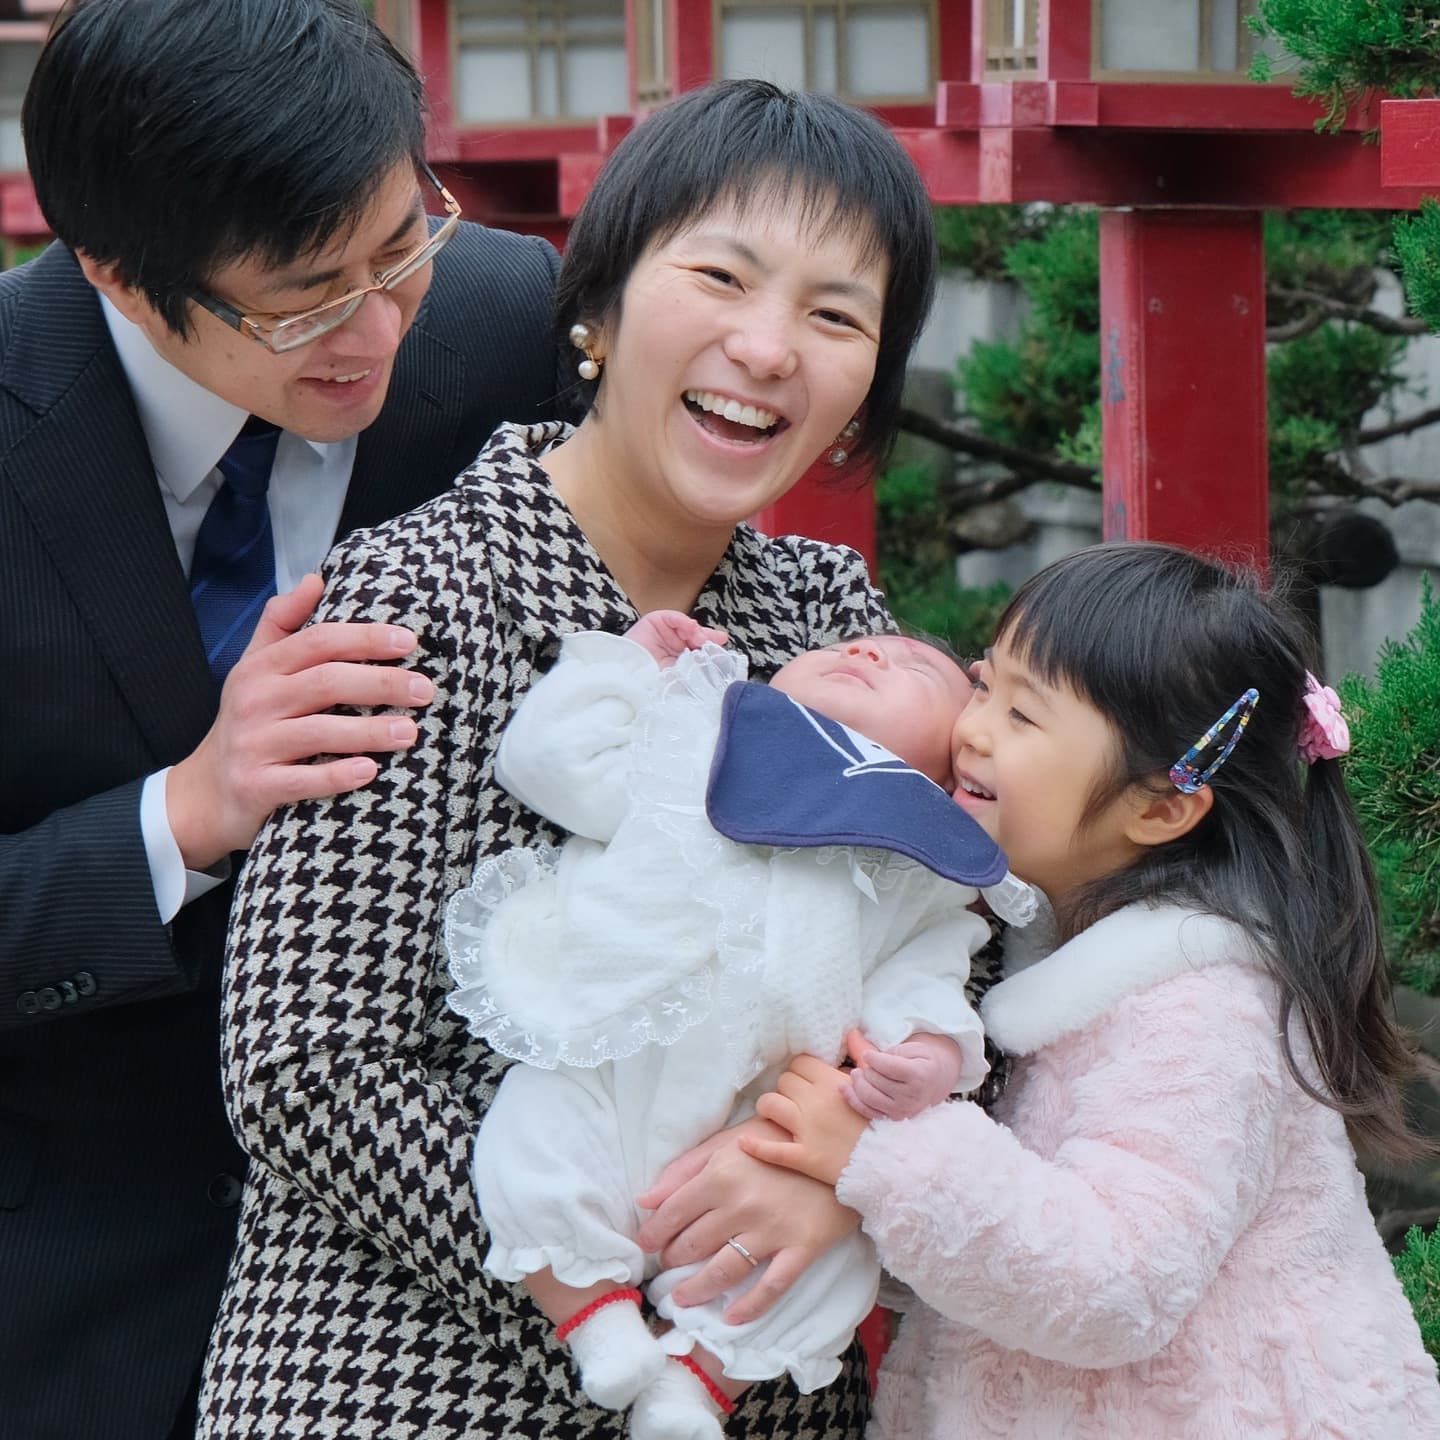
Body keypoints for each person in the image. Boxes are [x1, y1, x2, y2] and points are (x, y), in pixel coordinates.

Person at [204, 79, 938, 1440]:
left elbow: (959, 951)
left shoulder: (836, 623)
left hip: (755, 1390)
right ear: (596, 309)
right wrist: (622, 1254)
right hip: (411, 1378)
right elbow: (307, 1066)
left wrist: (843, 1170)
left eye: (837, 317)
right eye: (721, 277)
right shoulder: (415, 596)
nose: (768, 348)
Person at [0, 0, 563, 1435]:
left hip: (439, 1289)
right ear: (118, 271)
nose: (376, 330)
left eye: (401, 247)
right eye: (306, 300)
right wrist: (186, 812)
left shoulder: (507, 321)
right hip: (69, 1282)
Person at [742, 541, 1440, 1439]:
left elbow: (1117, 1286)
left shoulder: (1203, 1009)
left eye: (1022, 715)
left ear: (1159, 807)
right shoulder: (1045, 941)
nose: (972, 729)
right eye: (983, 684)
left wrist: (880, 1156)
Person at [446, 611, 1034, 1436]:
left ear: (943, 775)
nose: (867, 647)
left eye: (915, 671)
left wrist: (931, 1053)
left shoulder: (918, 867)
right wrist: (625, 670)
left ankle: (693, 1382)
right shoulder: (693, 741)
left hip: (756, 1126)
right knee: (531, 1136)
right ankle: (597, 1322)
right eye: (847, 647)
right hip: (619, 1070)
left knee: (835, 1264)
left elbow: (928, 975)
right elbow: (555, 763)